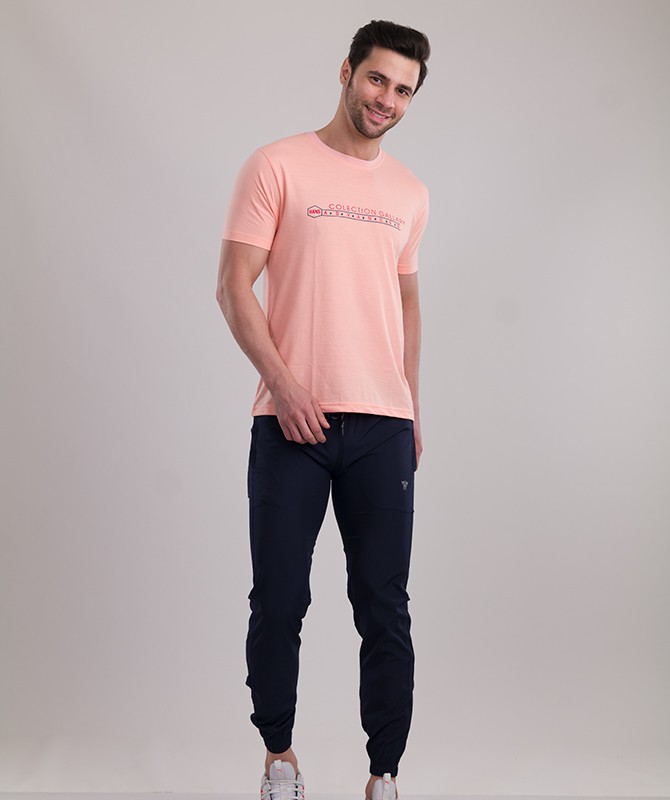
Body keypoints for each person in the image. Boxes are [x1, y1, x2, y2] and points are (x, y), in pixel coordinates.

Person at [216, 19, 430, 800]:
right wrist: (285, 384)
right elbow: (233, 287)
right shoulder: (277, 165)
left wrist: (410, 405)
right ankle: (280, 758)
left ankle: (384, 775)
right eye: (377, 79)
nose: (387, 100)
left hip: (382, 427)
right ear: (346, 72)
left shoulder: (409, 193)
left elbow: (406, 301)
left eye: (403, 90)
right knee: (278, 599)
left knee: (384, 605)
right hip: (289, 425)